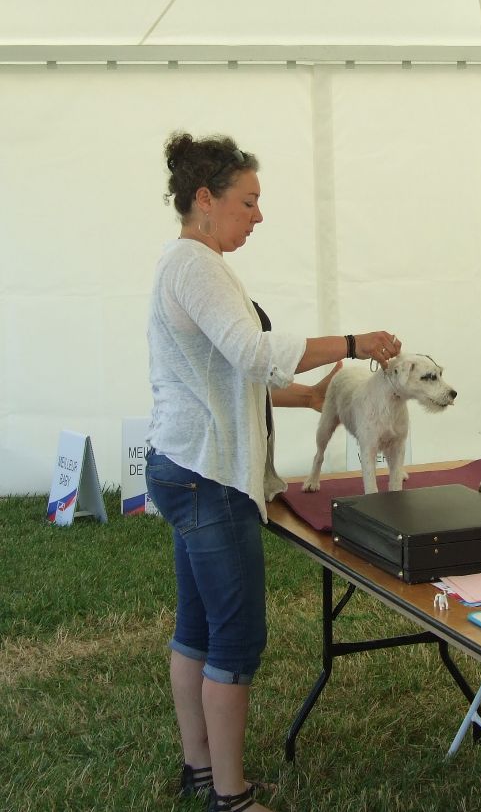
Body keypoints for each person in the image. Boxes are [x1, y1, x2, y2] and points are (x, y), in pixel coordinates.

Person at [145, 132, 402, 812]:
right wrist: (354, 342)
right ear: (205, 199)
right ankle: (230, 796)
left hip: (185, 467)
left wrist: (307, 397)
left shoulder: (190, 263)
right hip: (208, 477)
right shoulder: (196, 266)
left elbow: (224, 375)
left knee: (198, 626)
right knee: (234, 637)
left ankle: (201, 769)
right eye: (248, 201)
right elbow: (252, 352)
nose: (258, 215)